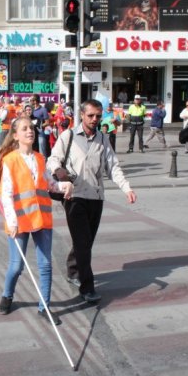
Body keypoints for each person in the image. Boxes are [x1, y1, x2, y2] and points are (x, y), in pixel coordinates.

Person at [0, 116, 71, 325]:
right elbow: (6, 194)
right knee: (17, 266)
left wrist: (64, 186)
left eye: (32, 128)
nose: (30, 131)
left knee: (45, 265)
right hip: (19, 221)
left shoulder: (40, 158)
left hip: (41, 218)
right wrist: (11, 221)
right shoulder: (10, 160)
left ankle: (44, 307)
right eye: (25, 129)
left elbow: (49, 185)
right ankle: (7, 295)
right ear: (16, 135)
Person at [48, 99, 137, 303]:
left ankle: (73, 269)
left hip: (96, 197)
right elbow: (53, 159)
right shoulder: (68, 135)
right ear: (82, 115)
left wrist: (126, 188)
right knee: (82, 242)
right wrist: (58, 170)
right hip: (74, 196)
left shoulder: (103, 139)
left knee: (86, 241)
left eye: (98, 116)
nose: (95, 119)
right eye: (91, 115)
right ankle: (87, 288)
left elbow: (113, 167)